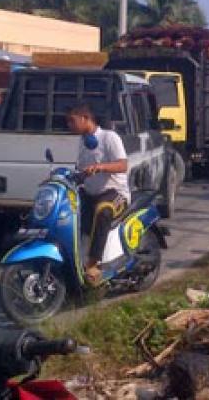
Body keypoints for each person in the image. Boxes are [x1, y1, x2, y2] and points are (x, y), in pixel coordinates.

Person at [66, 104, 129, 286]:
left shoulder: (109, 137)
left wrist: (101, 167)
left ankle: (94, 263)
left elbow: (123, 165)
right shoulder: (83, 141)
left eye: (72, 121)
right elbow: (81, 168)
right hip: (91, 192)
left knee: (103, 210)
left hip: (115, 193)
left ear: (85, 118)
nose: (70, 125)